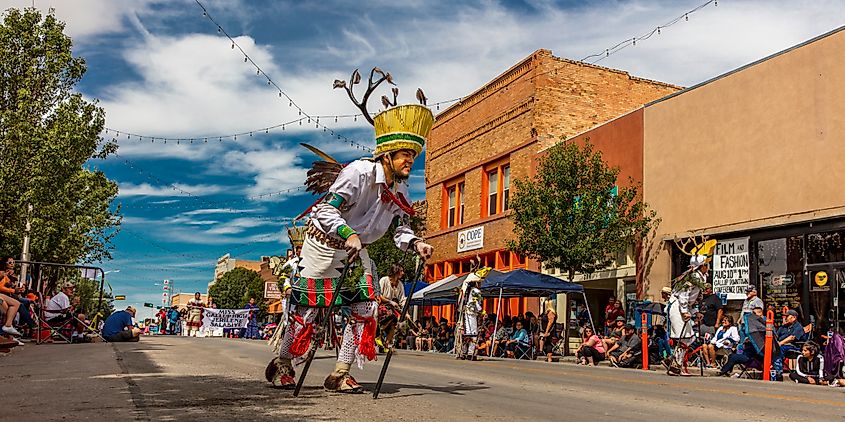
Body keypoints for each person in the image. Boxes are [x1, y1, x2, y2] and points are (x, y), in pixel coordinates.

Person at [264, 85, 434, 393]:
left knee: (364, 309)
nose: (411, 160)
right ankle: (284, 362)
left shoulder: (402, 191)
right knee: (307, 313)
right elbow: (325, 212)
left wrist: (415, 243)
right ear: (387, 154)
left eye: (414, 155)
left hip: (356, 253)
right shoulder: (358, 173)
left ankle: (340, 372)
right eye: (406, 155)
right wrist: (349, 234)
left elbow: (401, 230)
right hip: (322, 248)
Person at [665, 254, 707, 376]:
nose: (708, 267)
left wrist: (695, 312)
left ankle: (673, 362)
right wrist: (684, 311)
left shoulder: (699, 276)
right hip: (677, 307)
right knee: (685, 337)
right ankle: (677, 365)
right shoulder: (693, 276)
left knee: (690, 337)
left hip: (682, 307)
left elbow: (692, 300)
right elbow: (684, 295)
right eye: (706, 265)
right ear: (702, 266)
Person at [457, 268, 488, 361]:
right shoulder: (476, 291)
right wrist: (482, 312)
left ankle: (463, 352)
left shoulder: (467, 291)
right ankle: (471, 353)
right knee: (473, 333)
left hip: (466, 313)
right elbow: (476, 303)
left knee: (467, 333)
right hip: (472, 314)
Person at [376, 264, 406, 350]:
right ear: (395, 271)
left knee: (395, 323)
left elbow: (402, 299)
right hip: (381, 305)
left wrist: (405, 311)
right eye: (401, 271)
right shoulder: (384, 280)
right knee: (391, 315)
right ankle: (379, 334)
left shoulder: (400, 284)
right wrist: (390, 301)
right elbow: (379, 294)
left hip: (392, 308)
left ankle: (387, 343)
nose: (403, 273)